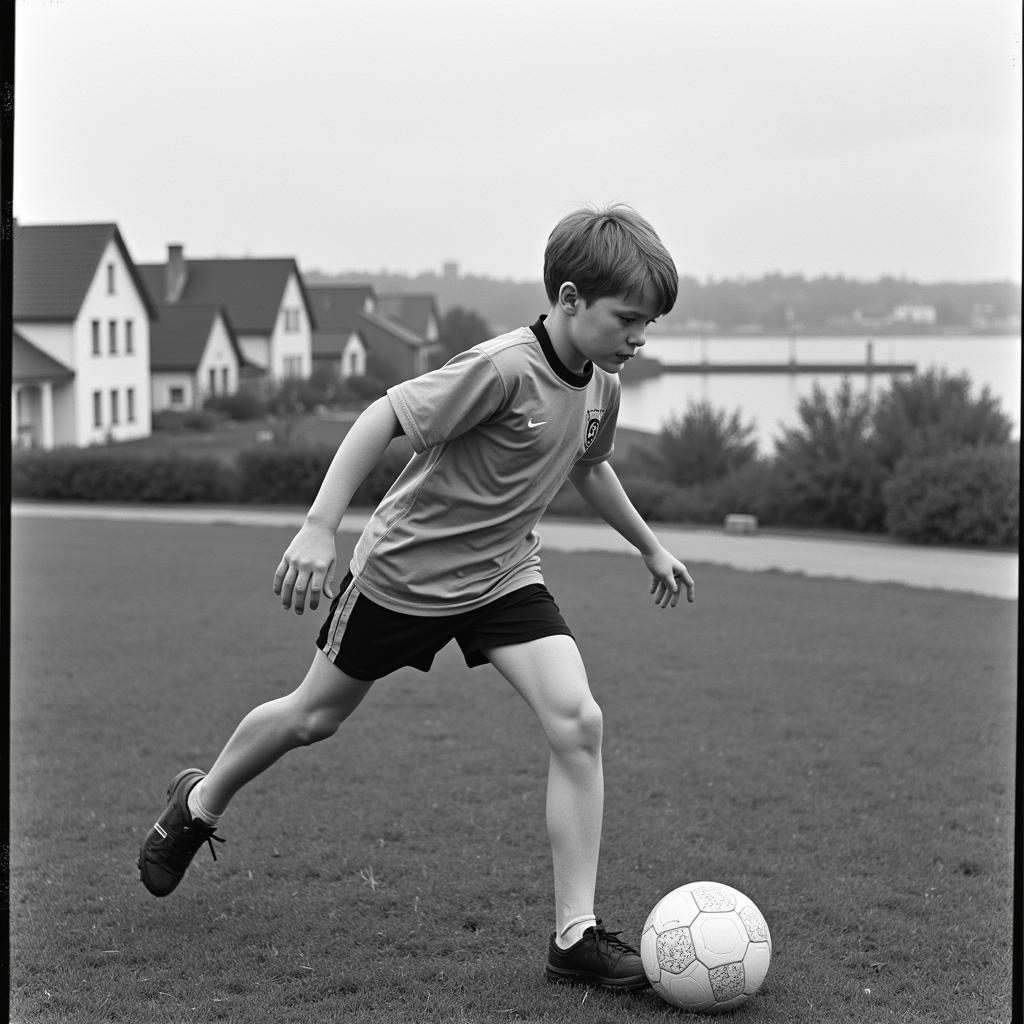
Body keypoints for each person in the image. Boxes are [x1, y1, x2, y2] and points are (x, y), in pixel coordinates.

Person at [138, 203, 695, 990]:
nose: (640, 339)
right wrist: (319, 524)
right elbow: (385, 415)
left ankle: (573, 937)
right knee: (313, 717)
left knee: (579, 721)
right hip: (403, 577)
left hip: (503, 576)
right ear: (570, 299)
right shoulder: (503, 368)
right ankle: (197, 802)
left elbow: (588, 464)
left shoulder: (601, 385)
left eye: (648, 325)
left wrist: (650, 545)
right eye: (628, 320)